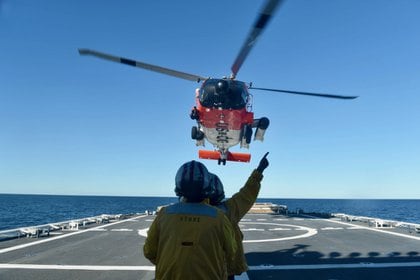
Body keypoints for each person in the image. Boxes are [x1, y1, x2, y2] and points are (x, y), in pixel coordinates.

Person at [143, 160, 237, 280]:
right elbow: (231, 251)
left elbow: (149, 251)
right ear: (207, 186)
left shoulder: (164, 214)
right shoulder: (219, 217)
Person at [209, 152, 269, 279]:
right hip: (226, 270)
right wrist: (259, 171)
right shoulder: (229, 209)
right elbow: (247, 193)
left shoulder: (183, 213)